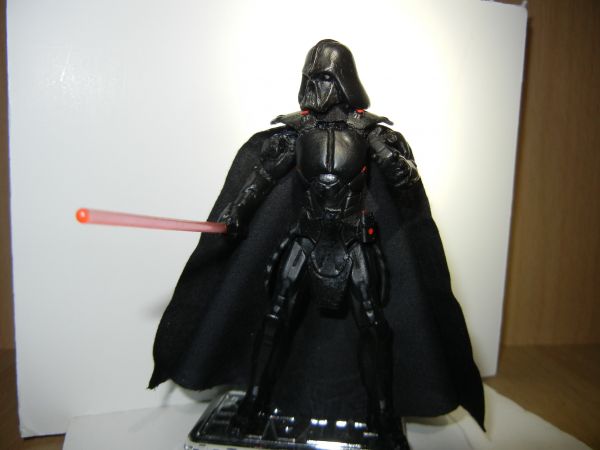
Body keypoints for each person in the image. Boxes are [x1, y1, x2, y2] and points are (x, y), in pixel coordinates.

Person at [150, 39, 484, 450]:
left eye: (322, 78)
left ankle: (382, 412)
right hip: (306, 238)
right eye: (309, 78)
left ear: (342, 81)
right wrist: (236, 210)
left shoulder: (369, 131)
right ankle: (255, 402)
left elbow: (406, 183)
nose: (313, 87)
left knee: (373, 324)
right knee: (275, 316)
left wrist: (383, 149)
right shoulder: (298, 131)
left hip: (354, 241)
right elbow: (262, 177)